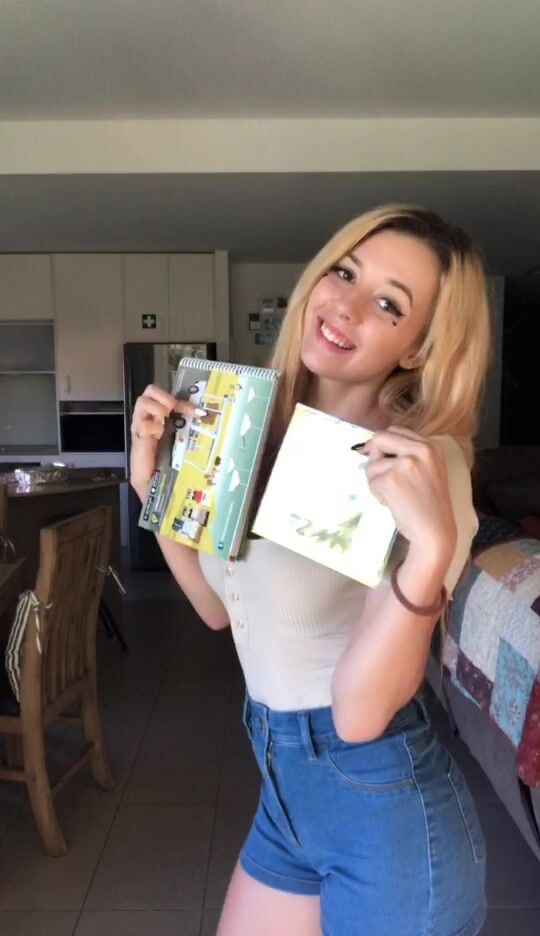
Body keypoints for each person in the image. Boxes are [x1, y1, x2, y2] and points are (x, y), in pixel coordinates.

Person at [129, 204, 490, 936]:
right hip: (283, 789)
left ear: (417, 349)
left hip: (381, 805)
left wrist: (430, 555)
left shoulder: (420, 464)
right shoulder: (247, 428)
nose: (346, 307)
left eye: (389, 305)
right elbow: (217, 610)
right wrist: (150, 487)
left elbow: (359, 716)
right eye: (345, 273)